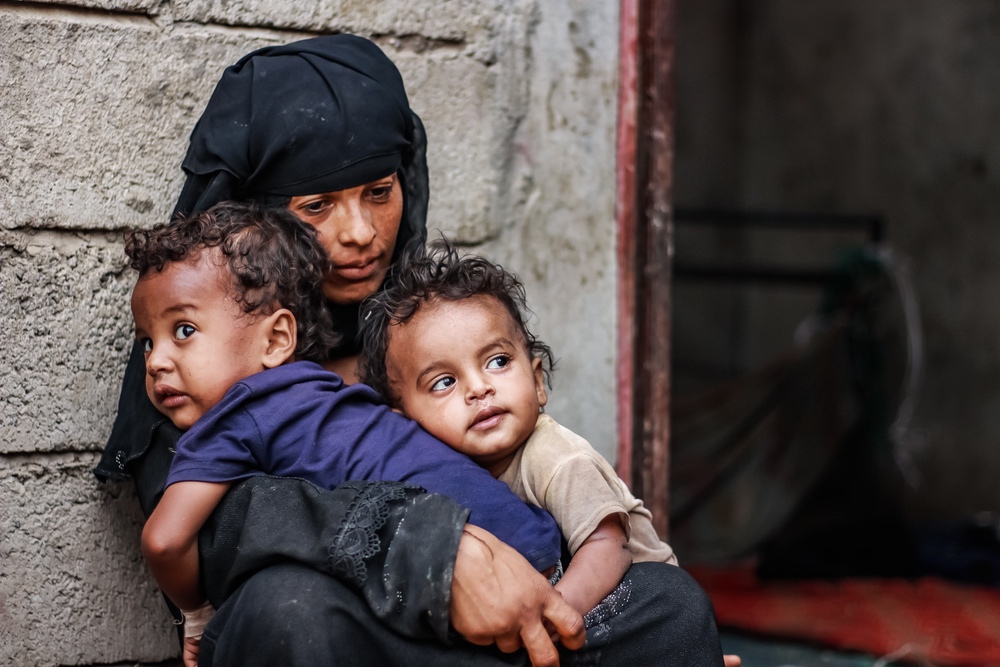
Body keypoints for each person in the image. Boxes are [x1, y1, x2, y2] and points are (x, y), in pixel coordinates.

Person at [96, 33, 726, 666]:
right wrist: (425, 549)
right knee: (287, 611)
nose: (362, 233)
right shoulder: (195, 368)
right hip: (360, 631)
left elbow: (512, 467)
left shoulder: (423, 342)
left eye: (379, 192)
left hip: (512, 612)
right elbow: (217, 529)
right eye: (316, 205)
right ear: (258, 221)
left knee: (668, 602)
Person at [128, 203, 565, 664]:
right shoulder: (328, 389)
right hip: (535, 538)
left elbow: (164, 540)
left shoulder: (231, 420)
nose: (156, 361)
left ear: (277, 340)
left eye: (184, 330)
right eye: (147, 341)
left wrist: (196, 612)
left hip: (472, 571)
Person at [358, 240, 680, 618]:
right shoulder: (447, 472)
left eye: (497, 361)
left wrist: (550, 619)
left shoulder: (558, 459)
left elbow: (609, 547)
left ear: (538, 381)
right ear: (406, 423)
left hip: (651, 611)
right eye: (444, 382)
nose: (479, 388)